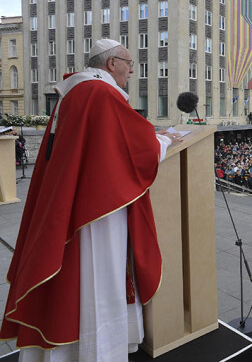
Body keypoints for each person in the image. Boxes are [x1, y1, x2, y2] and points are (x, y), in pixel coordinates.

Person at [1, 39, 182, 362]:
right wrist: (164, 139)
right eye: (128, 62)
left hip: (78, 198)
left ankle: (70, 348)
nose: (131, 70)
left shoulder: (75, 91)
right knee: (99, 273)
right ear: (111, 63)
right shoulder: (101, 93)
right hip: (99, 209)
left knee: (76, 276)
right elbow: (133, 146)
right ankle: (98, 350)